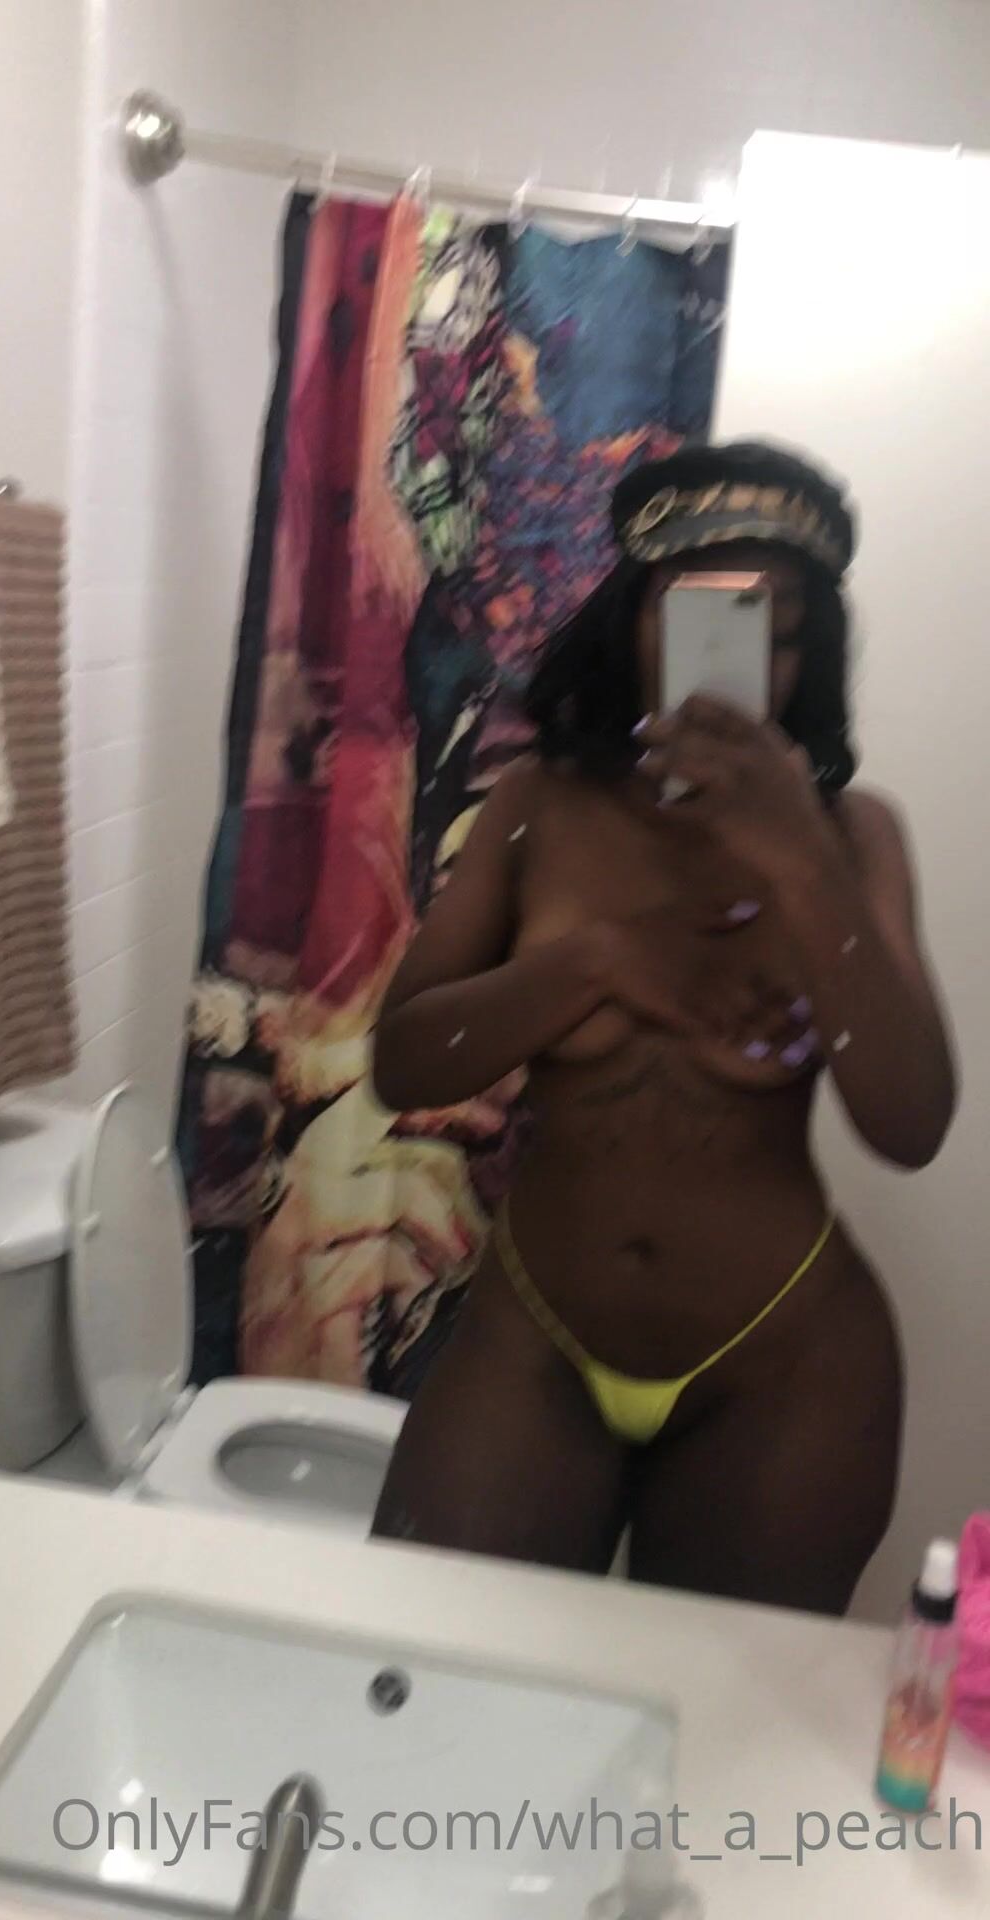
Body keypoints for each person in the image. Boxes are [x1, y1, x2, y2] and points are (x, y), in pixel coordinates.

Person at [369, 440, 956, 1615]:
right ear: (632, 619)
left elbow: (910, 1123)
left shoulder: (854, 839)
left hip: (785, 1366)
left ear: (809, 655)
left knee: (721, 1713)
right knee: (432, 1665)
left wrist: (797, 855)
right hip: (535, 1338)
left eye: (777, 628)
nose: (740, 653)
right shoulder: (537, 808)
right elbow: (404, 1063)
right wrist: (595, 962)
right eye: (697, 613)